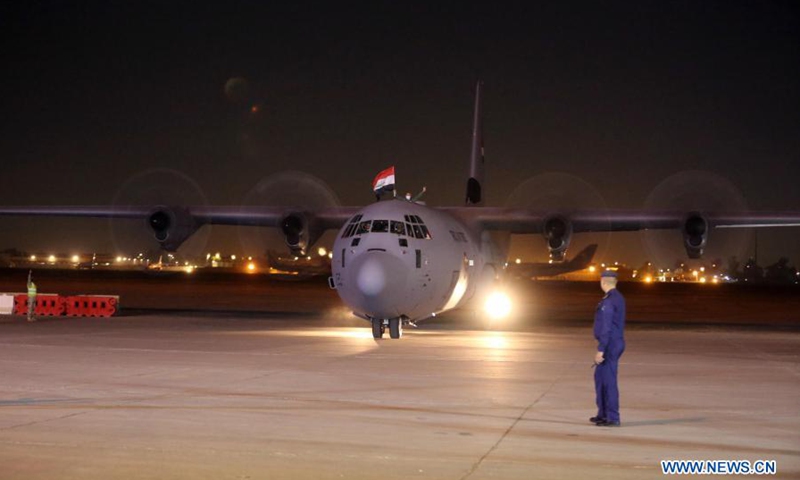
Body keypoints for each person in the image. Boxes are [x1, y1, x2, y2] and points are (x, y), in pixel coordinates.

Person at [591, 270, 626, 426]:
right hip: (613, 342)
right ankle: (603, 414)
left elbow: (606, 327)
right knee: (600, 379)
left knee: (608, 381)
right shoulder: (617, 298)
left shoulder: (609, 301)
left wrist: (601, 349)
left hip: (610, 344)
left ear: (603, 282)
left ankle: (612, 417)